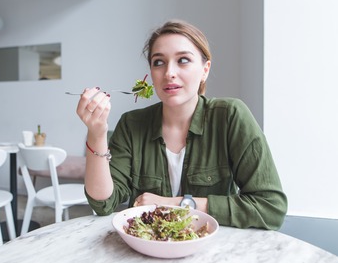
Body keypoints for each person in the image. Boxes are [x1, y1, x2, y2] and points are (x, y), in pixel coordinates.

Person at [76, 20, 287, 230]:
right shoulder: (132, 124)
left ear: (205, 69)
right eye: (159, 62)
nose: (169, 73)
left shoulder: (230, 116)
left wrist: (176, 204)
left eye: (183, 60)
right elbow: (103, 203)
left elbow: (270, 208)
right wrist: (96, 133)